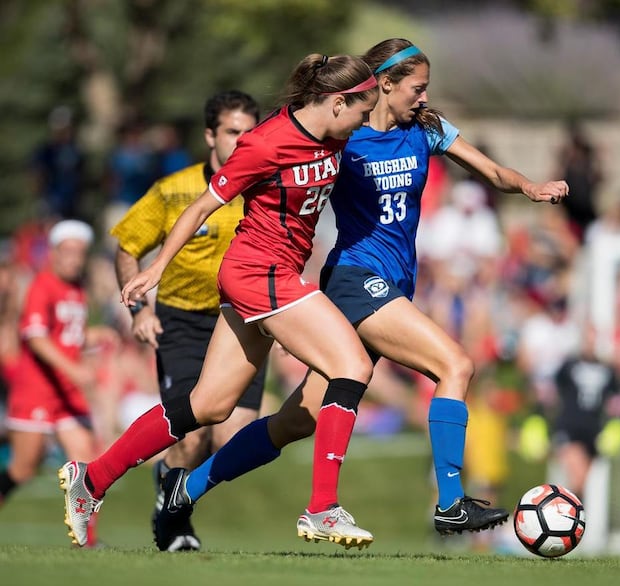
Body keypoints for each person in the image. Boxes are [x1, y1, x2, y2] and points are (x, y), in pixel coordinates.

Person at [155, 38, 569, 546]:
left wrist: (528, 187)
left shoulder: (428, 129)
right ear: (385, 84)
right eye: (417, 88)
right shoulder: (344, 137)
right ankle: (450, 503)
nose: (424, 97)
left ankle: (184, 490)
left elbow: (495, 173)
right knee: (455, 365)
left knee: (294, 422)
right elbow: (284, 164)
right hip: (354, 278)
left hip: (394, 285)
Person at [57, 52, 380, 549]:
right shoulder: (267, 142)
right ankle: (322, 509)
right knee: (352, 366)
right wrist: (156, 269)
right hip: (259, 273)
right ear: (338, 103)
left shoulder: (335, 134)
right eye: (362, 112)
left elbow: (385, 117)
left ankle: (93, 479)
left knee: (208, 405)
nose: (365, 122)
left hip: (270, 276)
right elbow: (201, 207)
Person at [108, 90, 266, 551]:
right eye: (232, 132)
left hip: (244, 322)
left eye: (249, 133)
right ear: (210, 136)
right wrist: (139, 309)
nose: (241, 141)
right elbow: (128, 247)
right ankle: (176, 524)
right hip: (183, 323)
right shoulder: (173, 190)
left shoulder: (265, 187)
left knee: (234, 439)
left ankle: (168, 479)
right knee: (192, 433)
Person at [1, 220, 116, 547]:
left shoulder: (77, 290)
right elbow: (36, 338)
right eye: (68, 252)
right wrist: (75, 370)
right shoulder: (43, 285)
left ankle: (86, 539)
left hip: (66, 393)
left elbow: (67, 337)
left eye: (80, 253)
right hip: (36, 390)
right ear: (54, 253)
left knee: (86, 462)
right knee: (23, 469)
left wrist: (95, 336)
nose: (74, 259)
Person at [551, 325, 620, 499]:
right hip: (570, 427)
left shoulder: (607, 370)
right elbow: (554, 391)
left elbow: (616, 398)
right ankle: (563, 511)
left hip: (592, 430)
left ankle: (572, 513)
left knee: (582, 484)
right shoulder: (569, 365)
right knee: (577, 478)